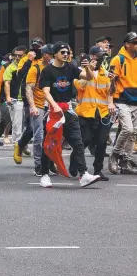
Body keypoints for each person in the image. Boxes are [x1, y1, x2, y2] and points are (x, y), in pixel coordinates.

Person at [39, 42, 101, 187]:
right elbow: (46, 92)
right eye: (62, 52)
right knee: (49, 144)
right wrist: (54, 106)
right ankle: (44, 175)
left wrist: (87, 66)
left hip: (68, 110)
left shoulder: (70, 67)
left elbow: (88, 77)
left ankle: (84, 174)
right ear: (55, 54)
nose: (66, 55)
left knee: (78, 142)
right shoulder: (47, 70)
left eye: (67, 52)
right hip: (53, 112)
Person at [73, 46, 112, 181]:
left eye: (101, 57)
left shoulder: (105, 73)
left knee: (101, 142)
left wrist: (112, 102)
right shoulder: (80, 72)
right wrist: (89, 70)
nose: (99, 59)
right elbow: (79, 86)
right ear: (91, 57)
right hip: (85, 111)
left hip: (102, 112)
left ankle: (98, 170)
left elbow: (109, 91)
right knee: (84, 140)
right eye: (97, 56)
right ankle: (76, 165)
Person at [108, 31, 137, 175]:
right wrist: (111, 101)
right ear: (127, 44)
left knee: (133, 134)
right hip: (122, 101)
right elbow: (111, 82)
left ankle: (126, 162)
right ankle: (114, 156)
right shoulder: (117, 60)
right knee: (128, 129)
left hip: (135, 101)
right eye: (134, 42)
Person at [25, 44, 54, 182]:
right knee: (39, 136)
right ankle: (38, 164)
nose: (54, 57)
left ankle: (50, 163)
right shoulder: (35, 68)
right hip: (38, 105)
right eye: (52, 54)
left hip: (52, 105)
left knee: (53, 136)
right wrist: (32, 107)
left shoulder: (55, 68)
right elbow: (29, 89)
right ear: (45, 55)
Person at [3, 47, 27, 160]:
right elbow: (6, 83)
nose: (17, 57)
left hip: (27, 100)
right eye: (15, 55)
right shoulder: (10, 68)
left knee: (27, 125)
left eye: (20, 55)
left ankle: (23, 144)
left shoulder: (28, 66)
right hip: (15, 100)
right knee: (17, 126)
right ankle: (17, 148)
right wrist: (8, 97)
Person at [0, 55, 12, 148]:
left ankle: (22, 146)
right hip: (5, 98)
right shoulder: (5, 67)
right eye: (16, 56)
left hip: (21, 97)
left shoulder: (25, 65)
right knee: (5, 120)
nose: (18, 58)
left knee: (21, 122)